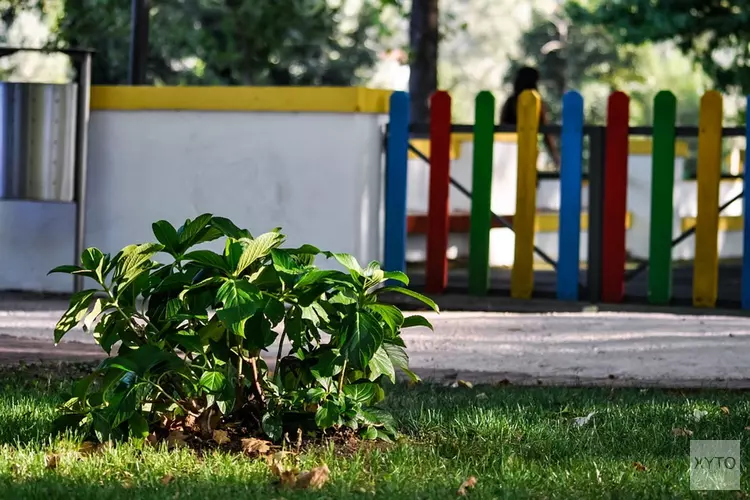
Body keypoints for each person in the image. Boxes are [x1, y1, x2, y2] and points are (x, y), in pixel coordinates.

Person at [500, 66, 560, 170]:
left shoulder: (510, 102)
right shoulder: (538, 103)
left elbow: (502, 127)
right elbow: (546, 133)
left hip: (508, 151)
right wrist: (555, 156)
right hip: (529, 152)